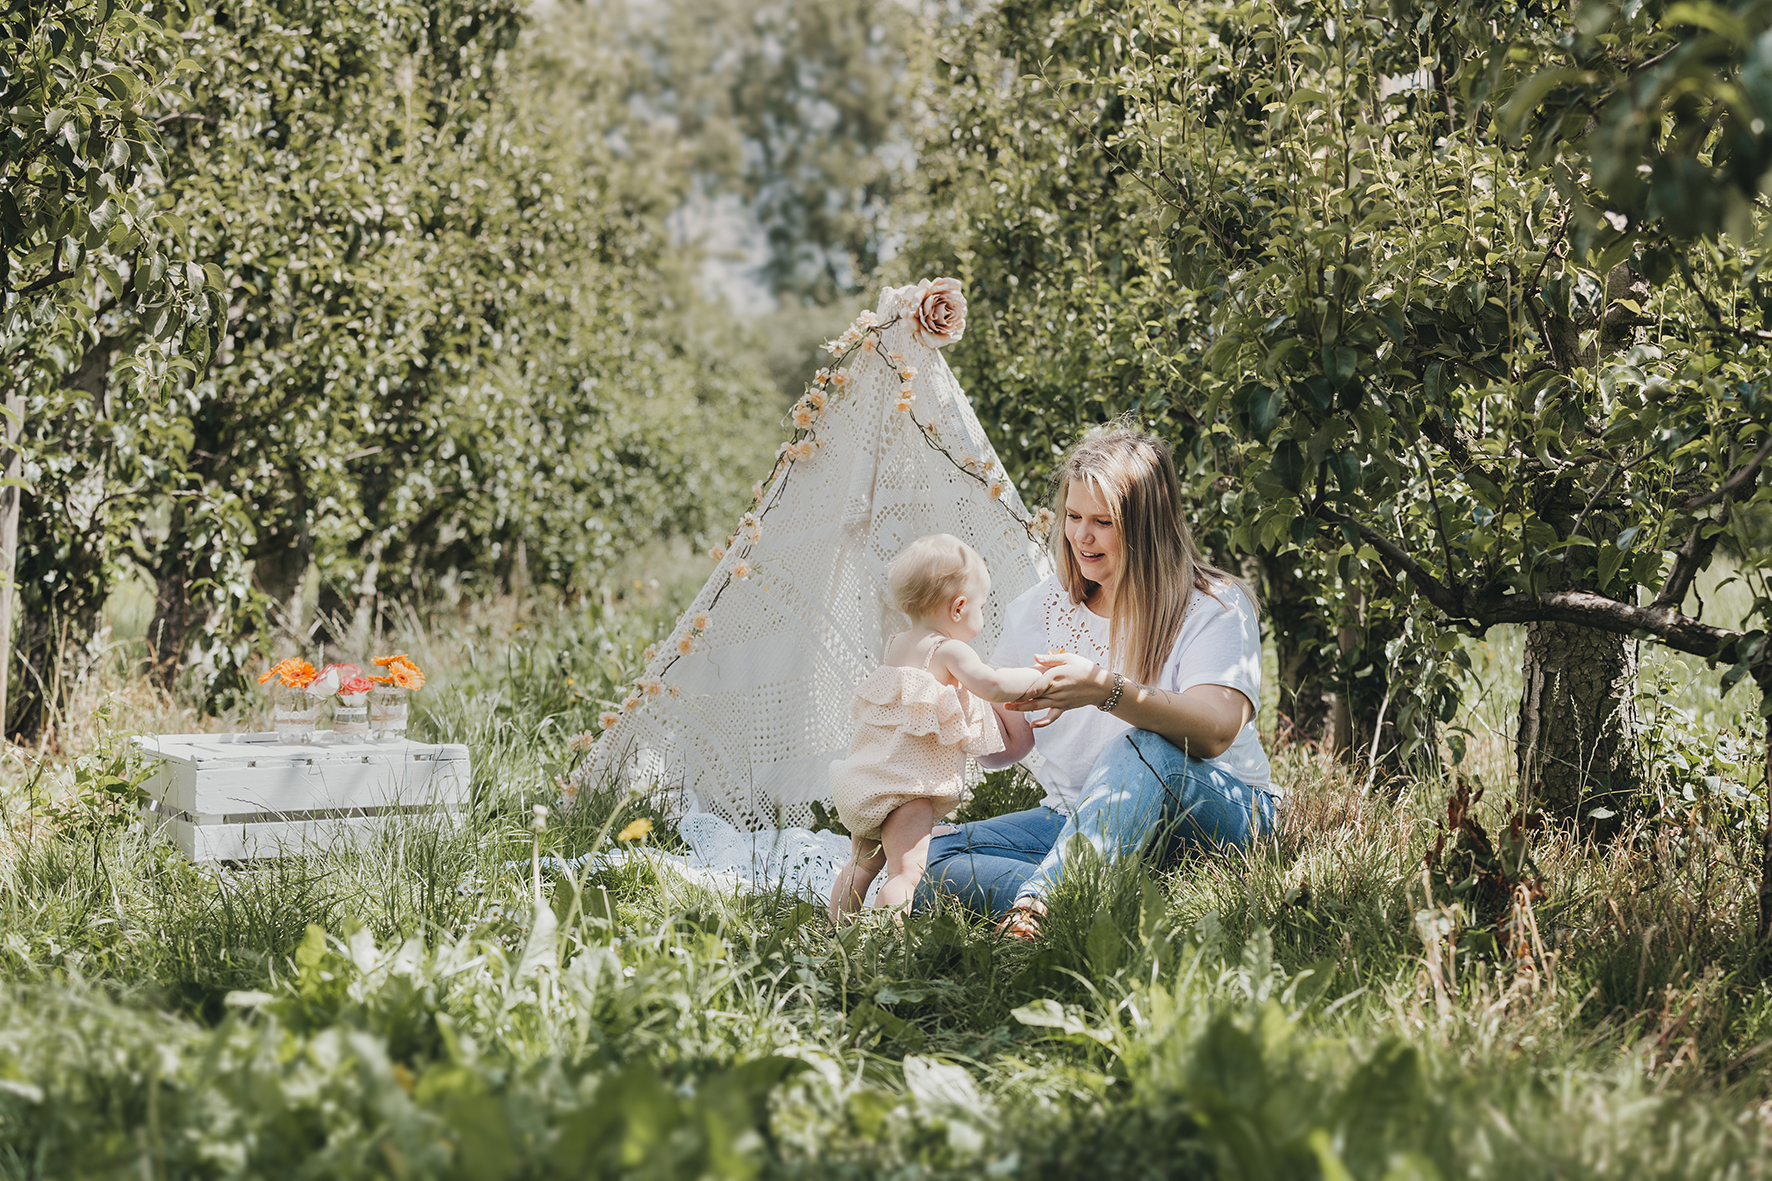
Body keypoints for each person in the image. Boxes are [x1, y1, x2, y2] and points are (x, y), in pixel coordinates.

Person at [916, 428, 1278, 936]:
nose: (1082, 537)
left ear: (1147, 527)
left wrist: (1107, 691)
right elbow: (1008, 743)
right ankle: (1111, 895)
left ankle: (1042, 908)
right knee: (929, 858)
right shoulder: (1042, 608)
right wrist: (953, 702)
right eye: (1073, 517)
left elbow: (1216, 731)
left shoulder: (1212, 605)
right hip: (1080, 818)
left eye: (1103, 522)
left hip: (1219, 814)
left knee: (1145, 745)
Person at [829, 534, 1045, 920]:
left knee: (862, 866)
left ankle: (834, 932)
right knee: (907, 873)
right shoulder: (947, 650)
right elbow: (991, 685)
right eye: (982, 605)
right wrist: (1036, 678)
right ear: (960, 607)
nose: (983, 613)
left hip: (870, 781)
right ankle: (886, 941)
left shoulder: (896, 645)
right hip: (907, 792)